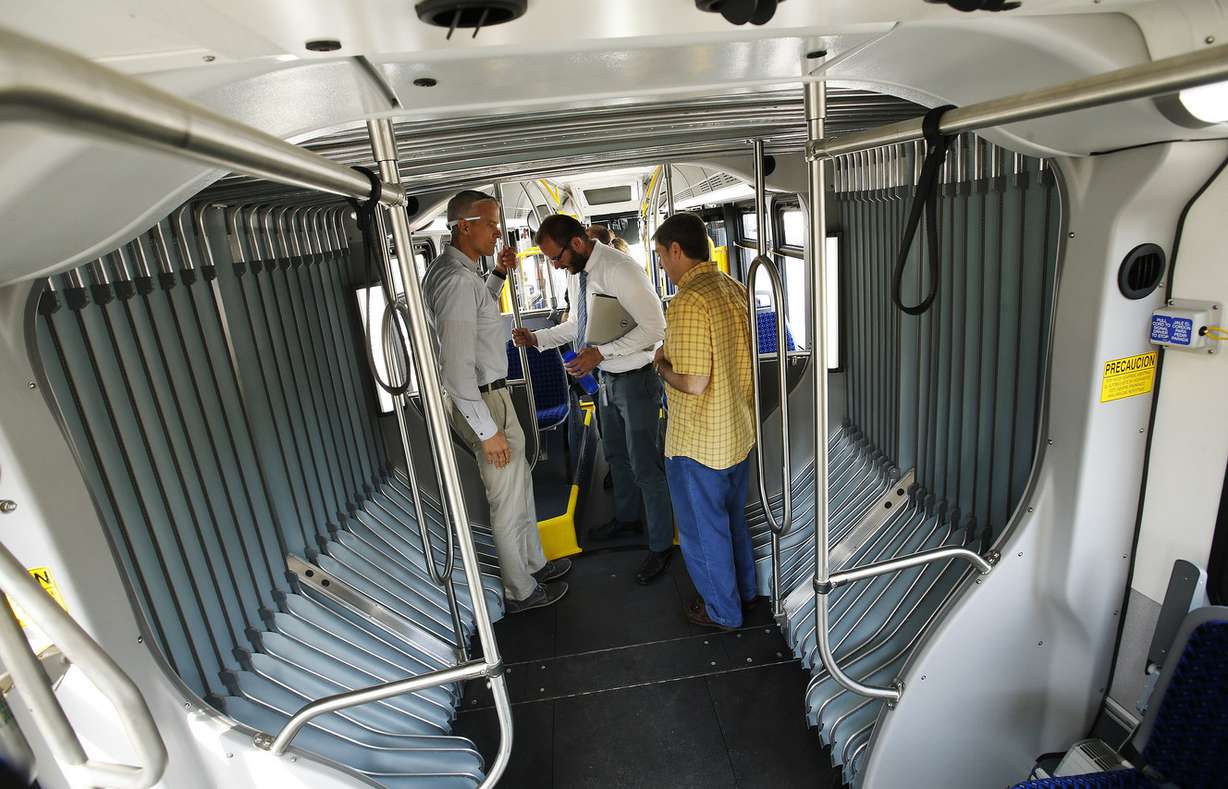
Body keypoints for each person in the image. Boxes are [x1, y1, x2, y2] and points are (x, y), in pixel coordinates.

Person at [422, 190, 571, 613]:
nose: (498, 233)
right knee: (506, 497)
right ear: (463, 226)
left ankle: (534, 564)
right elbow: (455, 369)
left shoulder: (461, 273)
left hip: (495, 395)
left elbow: (480, 310)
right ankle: (520, 591)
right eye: (490, 224)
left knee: (520, 485)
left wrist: (499, 275)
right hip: (482, 401)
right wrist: (487, 432)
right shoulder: (452, 280)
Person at [513, 214, 675, 585]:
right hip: (608, 380)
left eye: (556, 257)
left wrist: (601, 354)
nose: (555, 266)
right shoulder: (579, 275)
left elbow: (655, 327)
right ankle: (627, 517)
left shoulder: (621, 269)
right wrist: (539, 339)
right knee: (616, 456)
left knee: (645, 464)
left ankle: (661, 544)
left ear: (577, 243)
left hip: (637, 379)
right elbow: (580, 325)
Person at [650, 212, 757, 630]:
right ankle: (744, 593)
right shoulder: (733, 287)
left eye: (661, 256)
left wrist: (661, 366)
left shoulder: (688, 301)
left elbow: (693, 383)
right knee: (732, 521)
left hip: (699, 443)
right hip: (737, 433)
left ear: (677, 251)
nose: (662, 265)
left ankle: (722, 612)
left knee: (701, 533)